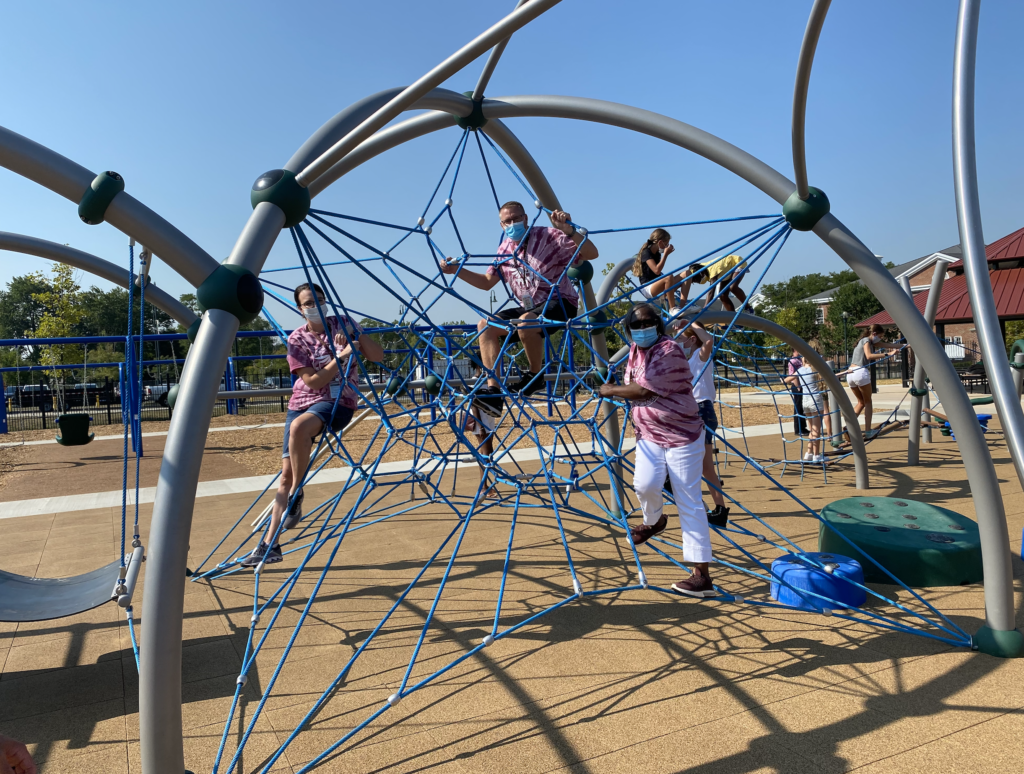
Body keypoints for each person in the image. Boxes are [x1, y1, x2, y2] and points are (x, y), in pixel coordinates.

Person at [242, 283, 384, 567]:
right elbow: (313, 381)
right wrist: (341, 357)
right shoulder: (297, 339)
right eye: (309, 303)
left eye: (319, 300)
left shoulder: (342, 323)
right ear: (300, 308)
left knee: (298, 431)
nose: (315, 306)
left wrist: (356, 336)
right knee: (285, 476)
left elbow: (377, 356)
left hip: (337, 402)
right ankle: (270, 545)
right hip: (302, 403)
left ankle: (297, 493)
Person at [598, 303, 716, 598]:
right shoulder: (634, 351)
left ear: (658, 325)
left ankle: (702, 576)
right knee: (644, 484)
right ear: (629, 330)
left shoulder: (669, 350)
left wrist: (610, 390)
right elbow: (635, 386)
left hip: (682, 435)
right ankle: (655, 521)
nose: (643, 329)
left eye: (648, 323)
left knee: (688, 499)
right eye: (636, 325)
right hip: (649, 435)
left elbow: (644, 390)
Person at [441, 201, 598, 396]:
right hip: (530, 308)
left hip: (561, 302)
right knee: (485, 325)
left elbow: (592, 253)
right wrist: (456, 270)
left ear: (525, 218)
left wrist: (569, 231)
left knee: (526, 322)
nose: (512, 224)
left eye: (516, 219)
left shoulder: (548, 236)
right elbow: (487, 282)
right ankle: (493, 390)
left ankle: (535, 376)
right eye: (507, 221)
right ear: (501, 225)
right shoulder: (504, 250)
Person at [673, 312, 729, 527]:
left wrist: (692, 324)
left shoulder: (700, 356)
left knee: (699, 465)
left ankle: (713, 508)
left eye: (681, 337)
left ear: (692, 338)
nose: (679, 341)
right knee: (706, 467)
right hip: (693, 411)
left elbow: (709, 340)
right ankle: (720, 510)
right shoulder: (688, 360)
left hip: (701, 410)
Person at [845, 323, 894, 435]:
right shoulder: (866, 340)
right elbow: (869, 356)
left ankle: (848, 427)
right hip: (860, 372)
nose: (880, 339)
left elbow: (890, 345)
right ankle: (868, 431)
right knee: (868, 402)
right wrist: (887, 354)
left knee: (861, 402)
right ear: (874, 333)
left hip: (850, 373)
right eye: (880, 336)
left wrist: (909, 345)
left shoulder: (867, 341)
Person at [632, 228, 682, 308]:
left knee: (686, 274)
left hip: (657, 283)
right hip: (648, 287)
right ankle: (672, 308)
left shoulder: (657, 253)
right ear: (660, 242)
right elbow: (657, 270)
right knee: (668, 277)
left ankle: (683, 305)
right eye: (666, 244)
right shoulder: (646, 253)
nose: (666, 247)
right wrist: (665, 255)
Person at [786, 355, 824, 462]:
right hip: (815, 400)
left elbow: (786, 380)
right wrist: (845, 373)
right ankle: (816, 455)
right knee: (816, 429)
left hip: (805, 401)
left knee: (812, 429)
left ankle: (809, 453)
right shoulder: (815, 369)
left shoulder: (800, 370)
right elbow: (830, 377)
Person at [787, 348, 808, 437]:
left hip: (802, 385)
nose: (799, 351)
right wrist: (798, 386)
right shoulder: (793, 361)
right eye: (797, 350)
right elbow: (793, 375)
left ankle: (803, 427)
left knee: (802, 407)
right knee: (798, 407)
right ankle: (798, 429)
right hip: (797, 386)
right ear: (794, 351)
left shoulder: (799, 359)